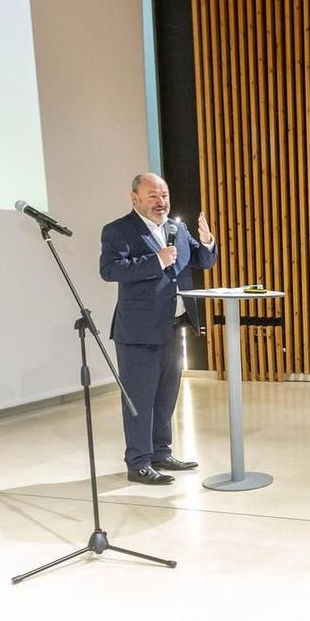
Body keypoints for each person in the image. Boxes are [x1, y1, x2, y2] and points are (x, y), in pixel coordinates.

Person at [99, 172, 219, 484]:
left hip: (173, 325)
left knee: (166, 395)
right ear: (134, 197)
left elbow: (202, 261)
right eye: (152, 195)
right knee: (140, 399)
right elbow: (110, 270)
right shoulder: (118, 230)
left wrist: (207, 242)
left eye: (164, 195)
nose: (160, 202)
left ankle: (160, 453)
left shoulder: (176, 228)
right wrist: (157, 260)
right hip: (137, 331)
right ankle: (138, 462)